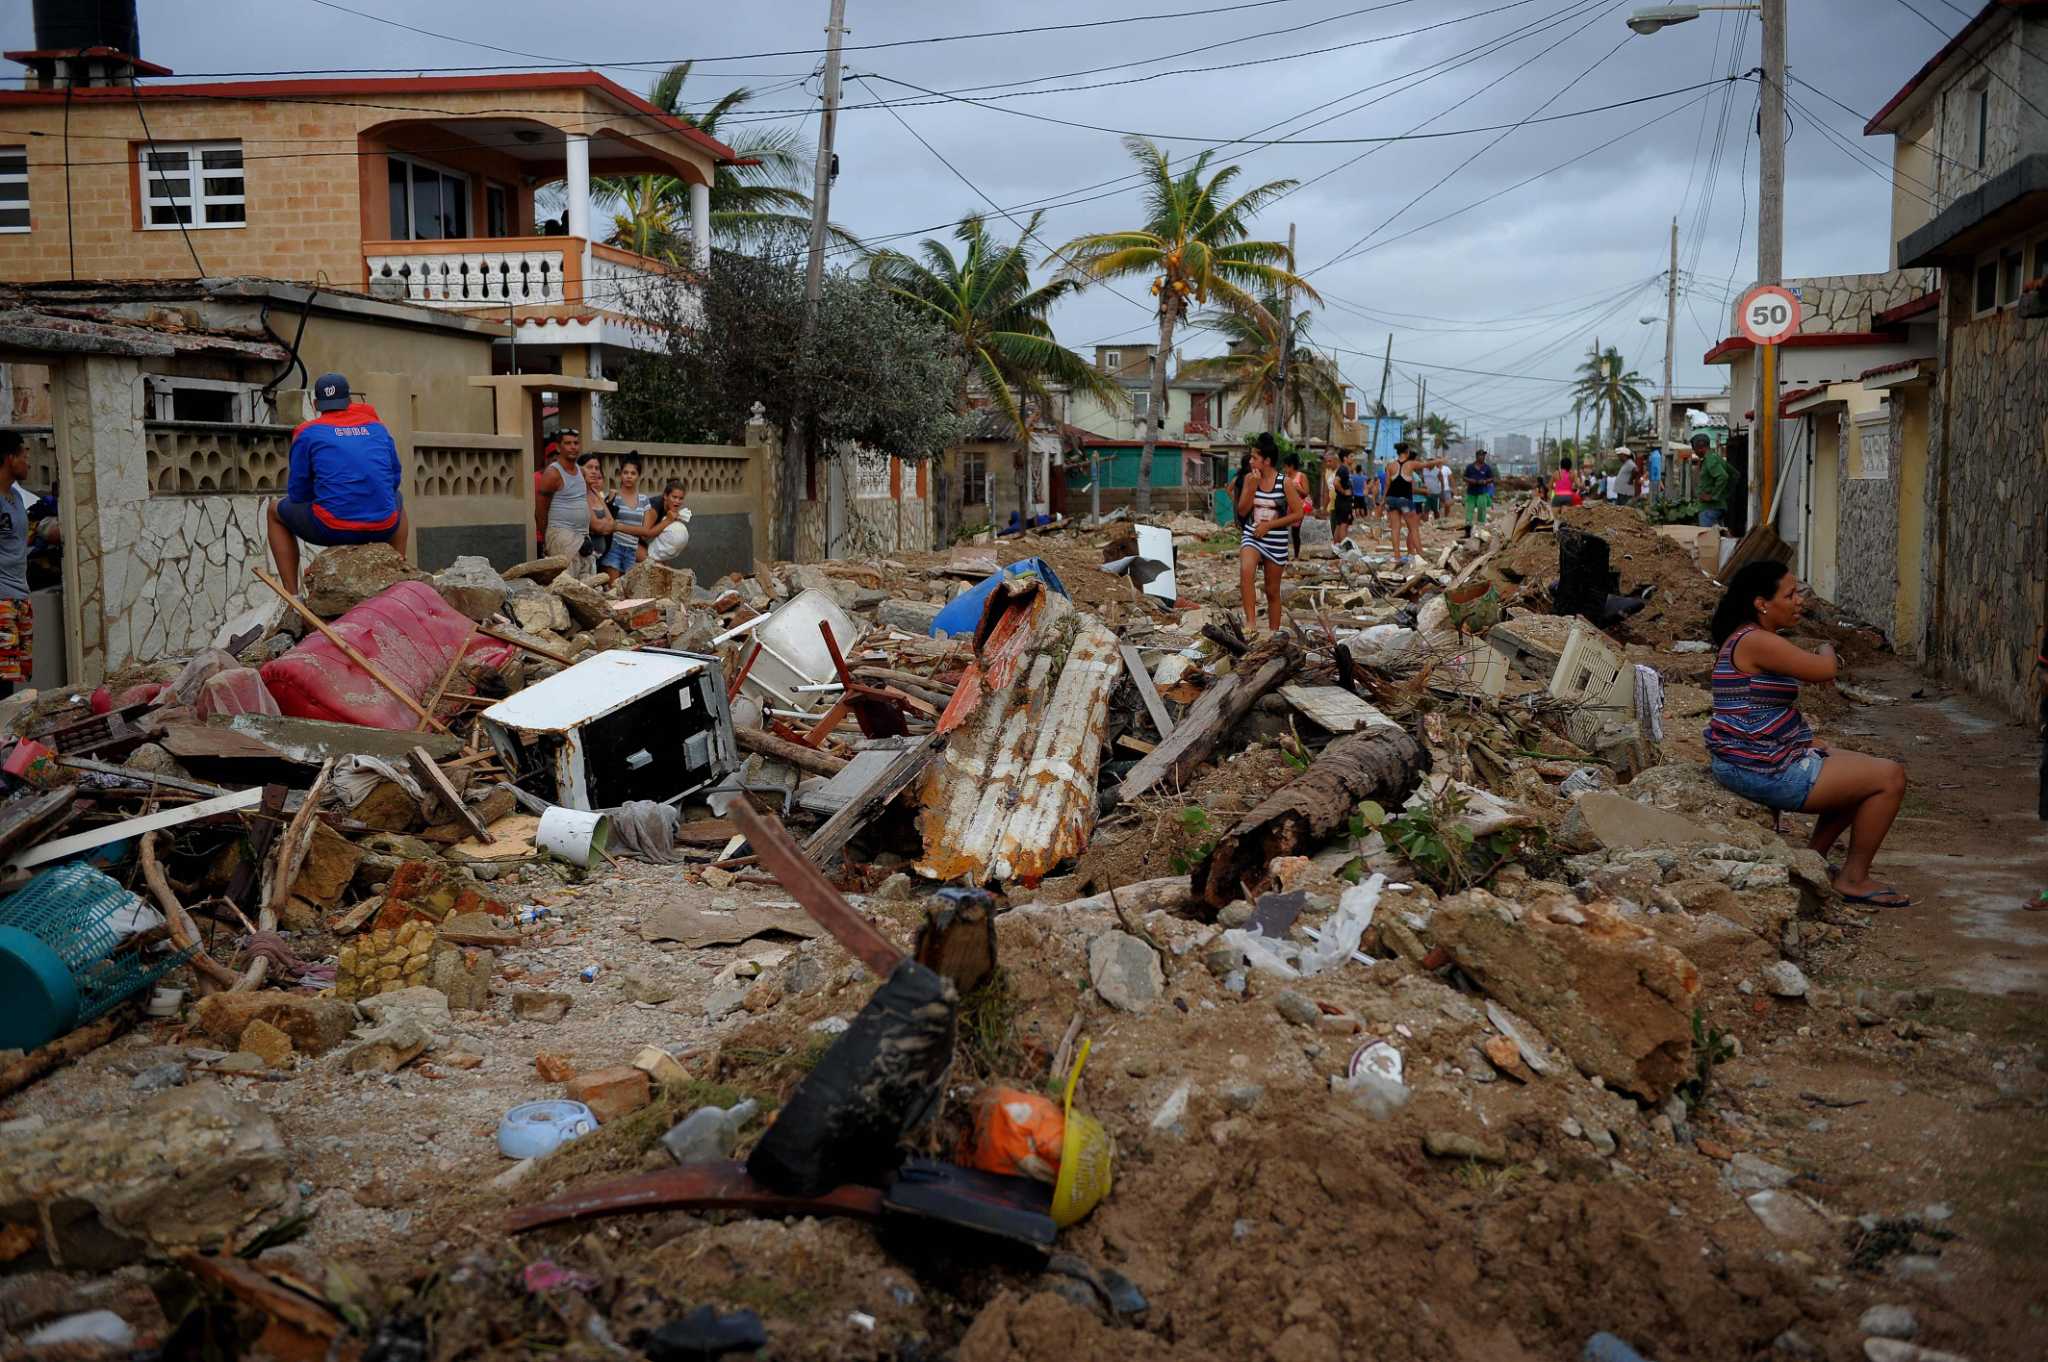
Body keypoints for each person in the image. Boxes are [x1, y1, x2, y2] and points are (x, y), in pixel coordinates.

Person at [1707, 561, 1910, 906]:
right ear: (1762, 603)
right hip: (1759, 769)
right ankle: (1853, 878)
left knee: (1857, 766)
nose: (1799, 600)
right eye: (1790, 594)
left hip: (1749, 760)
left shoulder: (1750, 637)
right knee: (1890, 777)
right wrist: (1825, 647)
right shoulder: (1756, 640)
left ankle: (1811, 860)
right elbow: (1823, 671)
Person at [266, 372, 407, 596]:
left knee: (274, 510)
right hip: (383, 527)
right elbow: (393, 480)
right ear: (349, 401)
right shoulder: (378, 428)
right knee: (397, 499)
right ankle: (400, 579)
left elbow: (298, 492)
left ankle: (292, 597)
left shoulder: (307, 432)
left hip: (332, 528)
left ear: (315, 404)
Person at [1237, 433, 1305, 634]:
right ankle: (1250, 623)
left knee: (1272, 590)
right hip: (1252, 535)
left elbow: (1298, 512)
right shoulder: (1250, 479)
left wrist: (1270, 525)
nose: (1250, 462)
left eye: (1254, 458)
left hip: (1276, 540)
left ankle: (1274, 634)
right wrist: (1251, 487)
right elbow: (1242, 511)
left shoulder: (1284, 482)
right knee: (1246, 571)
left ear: (1266, 461)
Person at [0, 432, 33, 697]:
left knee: (11, 676)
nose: (28, 462)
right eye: (24, 455)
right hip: (1, 600)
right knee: (1, 679)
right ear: (10, 459)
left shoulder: (17, 497)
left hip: (19, 596)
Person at [1387, 441, 1446, 566]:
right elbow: (1426, 464)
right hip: (1405, 500)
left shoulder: (1390, 465)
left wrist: (1382, 500)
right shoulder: (1410, 464)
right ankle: (1420, 554)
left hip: (1391, 498)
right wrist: (1440, 460)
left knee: (1395, 528)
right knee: (1413, 528)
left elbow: (1387, 485)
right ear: (1407, 452)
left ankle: (1397, 556)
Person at [535, 427, 588, 562]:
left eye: (576, 443)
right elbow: (540, 509)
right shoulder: (553, 473)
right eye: (568, 443)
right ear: (559, 447)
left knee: (586, 580)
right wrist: (547, 537)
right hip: (561, 535)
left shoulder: (582, 471)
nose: (573, 447)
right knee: (565, 581)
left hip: (582, 535)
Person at [598, 453, 654, 583]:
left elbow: (646, 532)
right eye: (625, 472)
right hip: (614, 548)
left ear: (638, 476)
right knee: (614, 591)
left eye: (633, 473)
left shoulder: (644, 500)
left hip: (632, 551)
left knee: (628, 594)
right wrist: (609, 502)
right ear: (620, 475)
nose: (629, 476)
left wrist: (619, 526)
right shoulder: (613, 496)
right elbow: (607, 525)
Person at [576, 451, 617, 577]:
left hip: (597, 558)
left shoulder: (594, 492)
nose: (594, 471)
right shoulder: (578, 492)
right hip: (581, 558)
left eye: (597, 468)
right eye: (589, 467)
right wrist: (604, 527)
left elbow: (611, 522)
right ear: (580, 469)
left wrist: (605, 526)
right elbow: (596, 525)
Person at [644, 479, 693, 564]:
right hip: (631, 542)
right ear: (665, 496)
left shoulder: (670, 507)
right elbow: (644, 535)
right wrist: (668, 520)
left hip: (647, 544)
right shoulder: (654, 508)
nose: (677, 501)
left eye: (680, 498)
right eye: (674, 497)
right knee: (655, 566)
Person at [1283, 450, 1313, 559]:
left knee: (1295, 532)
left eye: (1286, 467)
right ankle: (1284, 554)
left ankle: (1296, 555)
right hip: (1288, 506)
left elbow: (1306, 493)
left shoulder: (1301, 476)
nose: (1284, 469)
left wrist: (1296, 487)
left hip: (1299, 507)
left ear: (1291, 466)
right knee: (1283, 530)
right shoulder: (1285, 477)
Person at [1696, 434, 1730, 528]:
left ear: (1700, 448)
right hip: (1715, 507)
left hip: (1710, 508)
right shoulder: (1713, 457)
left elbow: (1723, 476)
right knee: (1718, 538)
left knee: (1707, 539)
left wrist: (1712, 496)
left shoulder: (1710, 459)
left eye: (1695, 449)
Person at [1461, 447, 1496, 536]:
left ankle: (1480, 530)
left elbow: (1491, 478)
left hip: (1482, 492)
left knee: (1482, 510)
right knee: (1469, 511)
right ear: (1477, 456)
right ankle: (1468, 530)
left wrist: (1485, 481)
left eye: (1484, 455)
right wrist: (1471, 480)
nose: (1483, 457)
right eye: (1481, 455)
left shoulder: (1487, 468)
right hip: (1471, 492)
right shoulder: (1470, 467)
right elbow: (1464, 477)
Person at [1328, 453, 1355, 543]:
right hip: (1343, 502)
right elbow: (1336, 483)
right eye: (1351, 456)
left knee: (1339, 525)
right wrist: (1344, 492)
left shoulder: (1344, 469)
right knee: (1344, 524)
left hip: (1341, 501)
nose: (1353, 458)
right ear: (1345, 458)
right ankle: (1343, 549)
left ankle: (1336, 548)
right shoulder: (1343, 469)